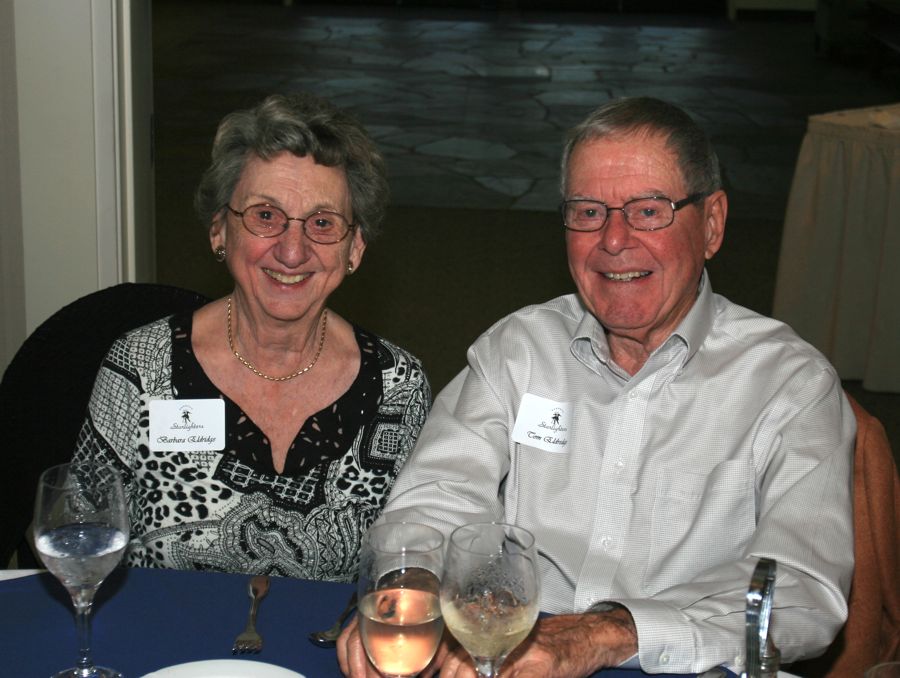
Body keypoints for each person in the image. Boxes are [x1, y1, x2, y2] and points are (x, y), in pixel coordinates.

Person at [338, 97, 855, 676]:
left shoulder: (788, 384)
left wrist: (606, 634)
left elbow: (799, 595)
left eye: (648, 211)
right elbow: (436, 495)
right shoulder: (520, 350)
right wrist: (413, 587)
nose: (613, 240)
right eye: (588, 212)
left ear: (711, 224)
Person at [72, 93, 431, 581]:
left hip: (328, 654)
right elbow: (79, 535)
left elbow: (413, 568)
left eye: (323, 223)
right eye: (266, 216)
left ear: (355, 248)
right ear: (220, 230)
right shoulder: (139, 367)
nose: (291, 249)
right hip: (164, 643)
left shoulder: (398, 387)